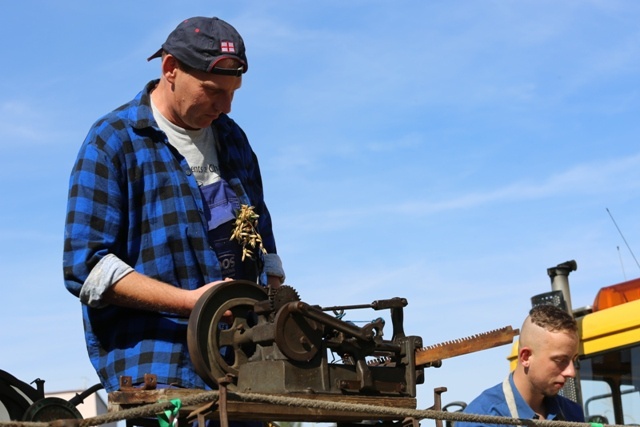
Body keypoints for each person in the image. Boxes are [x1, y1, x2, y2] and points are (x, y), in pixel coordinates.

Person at [63, 16, 285, 394]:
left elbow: (264, 246)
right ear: (170, 69)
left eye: (234, 92)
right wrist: (191, 303)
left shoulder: (232, 140)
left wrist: (277, 310)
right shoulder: (113, 142)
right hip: (161, 372)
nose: (226, 106)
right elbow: (86, 268)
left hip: (244, 370)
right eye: (213, 91)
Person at [456, 304, 584, 427]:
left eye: (574, 360)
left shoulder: (573, 414)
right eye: (560, 360)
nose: (571, 372)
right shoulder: (483, 419)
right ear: (526, 357)